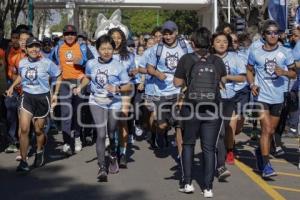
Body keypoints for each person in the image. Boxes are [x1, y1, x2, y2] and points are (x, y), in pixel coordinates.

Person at [174, 27, 226, 198]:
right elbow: (222, 82)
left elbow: (176, 83)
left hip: (191, 107)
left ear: (193, 42)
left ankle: (187, 183)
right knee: (209, 149)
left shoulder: (186, 59)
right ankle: (208, 188)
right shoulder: (217, 61)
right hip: (213, 108)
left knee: (188, 144)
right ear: (209, 42)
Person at [74, 34, 131, 181]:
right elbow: (88, 77)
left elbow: (128, 86)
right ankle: (102, 168)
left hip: (114, 102)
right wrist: (80, 87)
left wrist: (117, 88)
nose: (106, 51)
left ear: (114, 49)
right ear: (97, 49)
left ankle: (112, 154)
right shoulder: (91, 63)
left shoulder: (118, 65)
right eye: (103, 48)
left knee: (111, 132)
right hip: (96, 100)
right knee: (100, 133)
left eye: (109, 48)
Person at [247, 20, 296, 178]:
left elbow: (294, 73)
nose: (273, 35)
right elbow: (249, 70)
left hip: (278, 96)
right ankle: (267, 165)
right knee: (266, 129)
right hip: (261, 96)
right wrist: (252, 83)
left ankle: (260, 152)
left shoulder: (285, 52)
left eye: (276, 32)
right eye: (269, 32)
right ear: (264, 35)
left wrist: (284, 72)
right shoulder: (255, 51)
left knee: (271, 131)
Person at [6, 37, 61, 172]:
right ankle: (23, 161)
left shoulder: (47, 63)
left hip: (42, 98)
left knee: (38, 130)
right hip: (27, 97)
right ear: (26, 49)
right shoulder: (23, 62)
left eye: (37, 46)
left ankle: (39, 150)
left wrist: (55, 94)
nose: (34, 49)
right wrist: (13, 86)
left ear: (40, 48)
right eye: (31, 47)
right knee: (24, 129)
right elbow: (21, 76)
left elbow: (59, 75)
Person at [146, 20, 193, 153]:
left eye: (170, 33)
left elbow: (192, 62)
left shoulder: (185, 47)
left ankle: (182, 155)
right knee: (162, 125)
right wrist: (156, 73)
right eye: (165, 34)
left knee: (179, 125)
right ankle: (161, 133)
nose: (168, 37)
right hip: (161, 92)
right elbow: (149, 67)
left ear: (176, 33)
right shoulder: (157, 48)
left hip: (179, 92)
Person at [50, 25, 94, 155]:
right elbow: (50, 62)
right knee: (65, 113)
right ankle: (67, 142)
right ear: (63, 35)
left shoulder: (82, 47)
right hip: (64, 83)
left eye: (72, 33)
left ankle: (77, 137)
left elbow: (92, 64)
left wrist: (81, 61)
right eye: (67, 33)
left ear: (76, 35)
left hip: (79, 82)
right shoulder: (58, 47)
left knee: (77, 113)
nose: (70, 36)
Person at [108, 28, 135, 168]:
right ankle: (113, 147)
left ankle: (123, 152)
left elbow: (133, 73)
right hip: (108, 92)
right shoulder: (106, 53)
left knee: (122, 120)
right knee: (111, 123)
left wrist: (132, 73)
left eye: (119, 37)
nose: (116, 40)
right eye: (113, 37)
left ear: (123, 39)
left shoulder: (129, 56)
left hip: (125, 91)